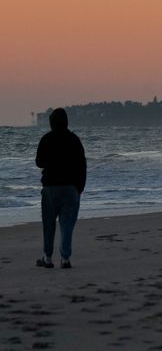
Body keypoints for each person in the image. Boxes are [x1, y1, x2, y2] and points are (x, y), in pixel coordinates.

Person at [35, 108, 87, 269]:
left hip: (51, 187)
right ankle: (65, 259)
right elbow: (82, 165)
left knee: (48, 224)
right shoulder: (74, 140)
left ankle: (47, 258)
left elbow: (39, 162)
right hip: (71, 187)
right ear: (66, 122)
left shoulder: (46, 139)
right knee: (67, 225)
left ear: (51, 123)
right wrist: (80, 187)